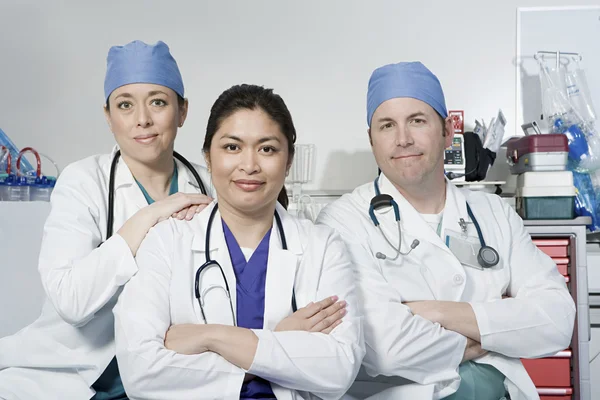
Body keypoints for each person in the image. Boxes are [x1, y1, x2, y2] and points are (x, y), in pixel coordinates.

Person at [316, 62, 576, 399]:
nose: (403, 139)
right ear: (371, 139)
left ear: (448, 130)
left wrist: (434, 312)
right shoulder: (343, 221)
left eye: (418, 120)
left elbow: (556, 320)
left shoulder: (494, 214)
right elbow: (386, 347)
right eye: (387, 125)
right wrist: (498, 328)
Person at [113, 84, 365, 399]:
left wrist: (210, 337)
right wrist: (278, 342)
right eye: (232, 147)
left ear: (288, 161)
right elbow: (140, 371)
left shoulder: (323, 246)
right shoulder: (166, 241)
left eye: (267, 149)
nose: (249, 165)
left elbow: (339, 368)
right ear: (207, 156)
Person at [0, 40, 215, 399]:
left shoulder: (208, 185)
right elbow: (71, 301)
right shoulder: (83, 181)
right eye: (125, 105)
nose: (142, 119)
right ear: (108, 117)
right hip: (71, 376)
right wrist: (148, 217)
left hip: (166, 376)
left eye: (158, 102)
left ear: (182, 111)